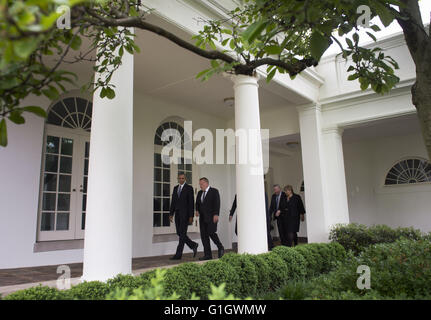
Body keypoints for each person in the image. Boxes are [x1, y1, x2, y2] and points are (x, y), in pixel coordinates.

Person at [169, 173, 198, 260]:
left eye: (183, 178)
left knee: (182, 234)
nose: (181, 180)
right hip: (177, 214)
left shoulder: (189, 188)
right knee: (179, 233)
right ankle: (193, 245)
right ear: (178, 179)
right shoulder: (175, 188)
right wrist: (171, 214)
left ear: (185, 179)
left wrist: (191, 216)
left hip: (185, 215)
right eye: (179, 178)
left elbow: (191, 203)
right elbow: (173, 202)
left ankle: (178, 255)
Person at [195, 177, 224, 260]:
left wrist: (216, 214)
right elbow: (197, 203)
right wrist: (197, 210)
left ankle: (220, 247)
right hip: (202, 218)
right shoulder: (200, 193)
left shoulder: (214, 191)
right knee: (204, 236)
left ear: (206, 183)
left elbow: (217, 203)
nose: (200, 186)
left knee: (211, 233)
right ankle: (208, 255)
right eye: (200, 184)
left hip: (211, 217)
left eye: (201, 184)